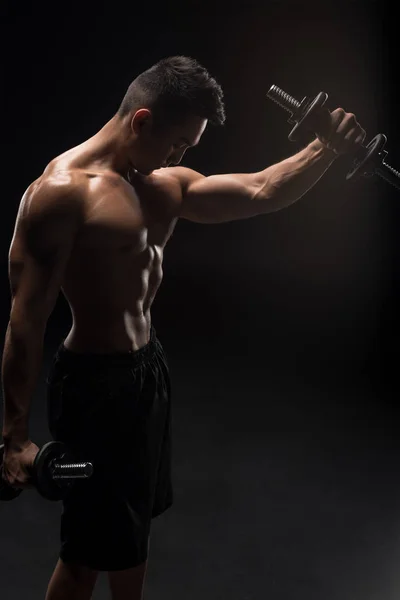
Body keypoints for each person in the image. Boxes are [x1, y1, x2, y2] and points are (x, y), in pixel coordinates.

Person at [1, 55, 366, 600]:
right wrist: (12, 437)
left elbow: (264, 190)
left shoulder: (161, 186)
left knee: (133, 540)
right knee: (86, 552)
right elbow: (26, 320)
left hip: (147, 376)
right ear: (141, 121)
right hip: (93, 388)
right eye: (177, 144)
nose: (179, 157)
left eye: (188, 150)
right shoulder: (60, 194)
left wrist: (326, 149)